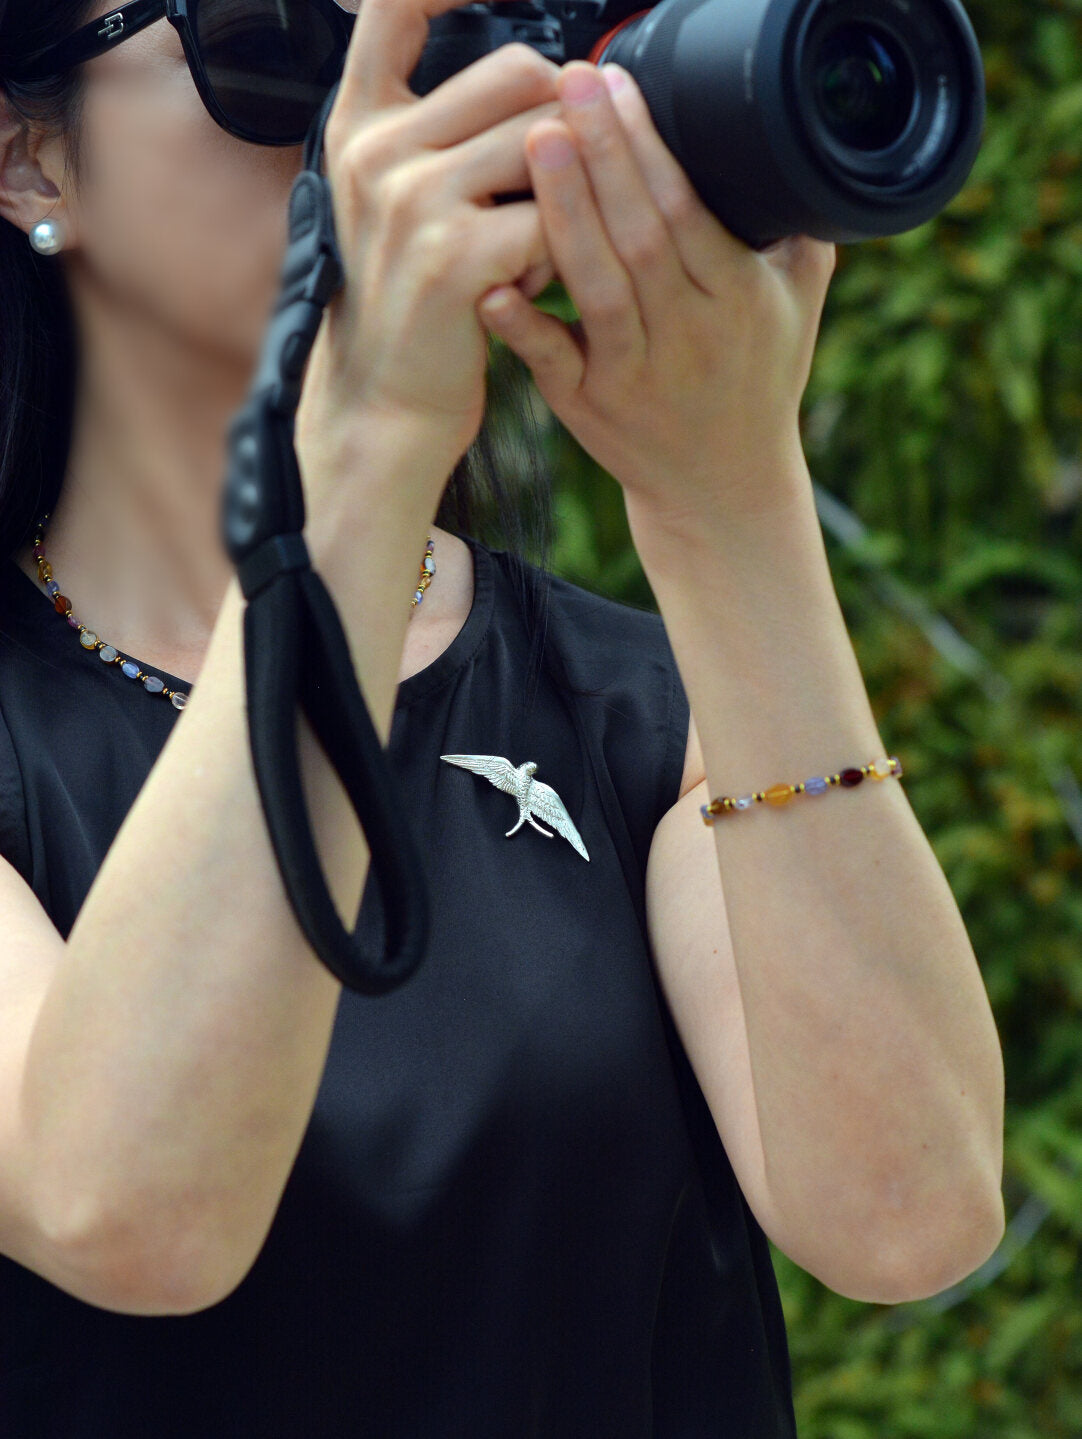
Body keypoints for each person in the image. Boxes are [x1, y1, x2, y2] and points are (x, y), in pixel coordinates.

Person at [0, 0, 1006, 1433]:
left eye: (413, 39)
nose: (379, 108)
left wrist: (726, 498)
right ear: (32, 161)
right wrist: (358, 447)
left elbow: (908, 1216)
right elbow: (130, 1212)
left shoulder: (638, 704)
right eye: (276, 35)